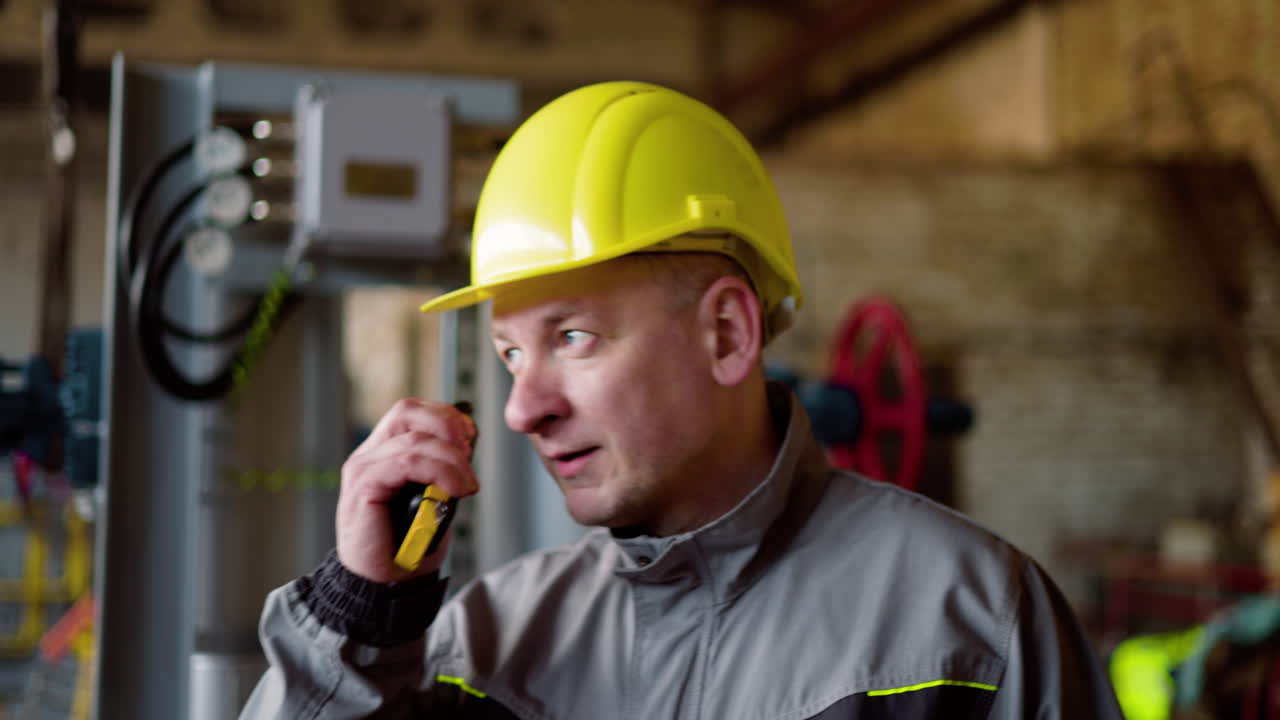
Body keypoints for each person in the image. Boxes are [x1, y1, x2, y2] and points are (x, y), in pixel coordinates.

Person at [240, 81, 1123, 719]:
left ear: (729, 335)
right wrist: (360, 618)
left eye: (572, 337)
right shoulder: (480, 646)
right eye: (511, 354)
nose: (521, 409)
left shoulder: (969, 618)